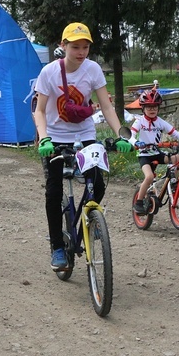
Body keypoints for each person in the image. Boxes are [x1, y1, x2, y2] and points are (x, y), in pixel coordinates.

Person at [33, 22, 132, 271]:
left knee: (97, 184)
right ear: (63, 46)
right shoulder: (49, 73)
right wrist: (44, 138)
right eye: (75, 46)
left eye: (85, 47)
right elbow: (40, 110)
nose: (81, 52)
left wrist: (121, 134)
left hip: (85, 134)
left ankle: (86, 225)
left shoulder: (93, 69)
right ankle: (57, 246)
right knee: (53, 192)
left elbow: (106, 106)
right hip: (55, 138)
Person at [129, 89, 179, 214]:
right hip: (144, 155)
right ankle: (139, 202)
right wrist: (135, 142)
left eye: (154, 107)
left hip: (157, 153)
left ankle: (175, 184)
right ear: (143, 108)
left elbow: (174, 132)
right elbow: (131, 135)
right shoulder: (139, 121)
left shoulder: (160, 122)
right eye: (149, 107)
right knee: (148, 177)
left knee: (178, 158)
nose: (152, 110)